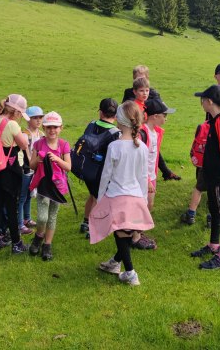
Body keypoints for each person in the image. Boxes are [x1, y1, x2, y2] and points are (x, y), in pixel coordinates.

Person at [91, 101, 154, 286]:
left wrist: (101, 197)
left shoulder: (115, 147)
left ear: (119, 119)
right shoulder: (141, 147)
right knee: (123, 232)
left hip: (117, 196)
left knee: (121, 233)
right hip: (134, 197)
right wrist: (142, 200)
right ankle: (114, 263)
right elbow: (144, 175)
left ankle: (130, 272)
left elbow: (106, 175)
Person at [181, 63, 220, 226]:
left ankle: (214, 216)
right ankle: (202, 213)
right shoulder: (211, 94)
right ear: (216, 76)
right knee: (204, 180)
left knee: (218, 184)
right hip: (209, 140)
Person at [190, 85, 220, 270]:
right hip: (211, 174)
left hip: (219, 177)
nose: (201, 103)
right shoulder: (215, 119)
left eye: (203, 100)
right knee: (214, 209)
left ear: (208, 102)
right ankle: (214, 244)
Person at [0, 94, 30, 253]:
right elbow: (23, 145)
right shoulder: (12, 125)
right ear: (16, 112)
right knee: (12, 205)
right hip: (8, 169)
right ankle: (17, 243)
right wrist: (24, 136)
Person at [122, 66, 181, 181]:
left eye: (143, 78)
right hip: (135, 126)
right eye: (137, 78)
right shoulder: (129, 92)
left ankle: (159, 174)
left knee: (152, 149)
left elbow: (160, 107)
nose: (140, 81)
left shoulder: (152, 92)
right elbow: (125, 106)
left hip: (149, 124)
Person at [27, 111, 72, 261]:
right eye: (48, 127)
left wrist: (57, 160)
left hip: (58, 186)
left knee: (52, 217)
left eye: (55, 127)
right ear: (44, 129)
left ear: (61, 128)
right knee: (42, 217)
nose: (52, 130)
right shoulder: (38, 144)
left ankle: (47, 245)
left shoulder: (63, 145)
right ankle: (39, 236)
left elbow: (68, 167)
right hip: (43, 185)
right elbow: (31, 166)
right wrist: (39, 159)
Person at [132, 97, 175, 250]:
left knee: (148, 205)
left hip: (152, 175)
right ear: (155, 116)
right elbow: (140, 159)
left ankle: (138, 232)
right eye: (165, 115)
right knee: (143, 206)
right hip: (144, 177)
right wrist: (147, 179)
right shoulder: (142, 134)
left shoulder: (156, 132)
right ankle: (135, 238)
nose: (166, 119)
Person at [78, 98, 120, 235]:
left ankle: (85, 222)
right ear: (116, 115)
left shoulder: (91, 124)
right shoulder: (115, 133)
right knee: (98, 198)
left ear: (101, 112)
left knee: (92, 195)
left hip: (87, 167)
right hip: (102, 172)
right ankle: (92, 227)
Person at [17, 106, 45, 235]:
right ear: (28, 119)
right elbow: (26, 154)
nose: (38, 120)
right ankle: (19, 224)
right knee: (22, 196)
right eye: (35, 118)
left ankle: (27, 218)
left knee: (29, 195)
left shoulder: (41, 134)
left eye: (40, 117)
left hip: (36, 168)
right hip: (26, 169)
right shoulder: (24, 135)